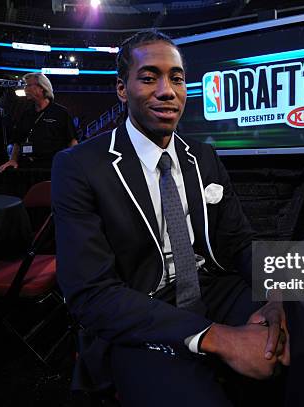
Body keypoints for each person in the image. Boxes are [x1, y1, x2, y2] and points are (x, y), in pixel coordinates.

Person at [52, 30, 289, 406]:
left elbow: (240, 243)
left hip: (213, 290)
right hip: (139, 311)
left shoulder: (204, 157)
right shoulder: (78, 166)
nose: (167, 90)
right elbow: (91, 295)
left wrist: (275, 296)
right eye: (149, 77)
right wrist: (219, 337)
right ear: (121, 89)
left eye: (176, 78)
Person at [0, 73, 77, 171]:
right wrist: (13, 160)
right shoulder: (26, 114)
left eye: (28, 85)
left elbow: (72, 141)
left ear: (42, 88)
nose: (25, 89)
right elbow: (17, 142)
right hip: (27, 167)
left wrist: (72, 164)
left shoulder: (61, 113)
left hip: (52, 168)